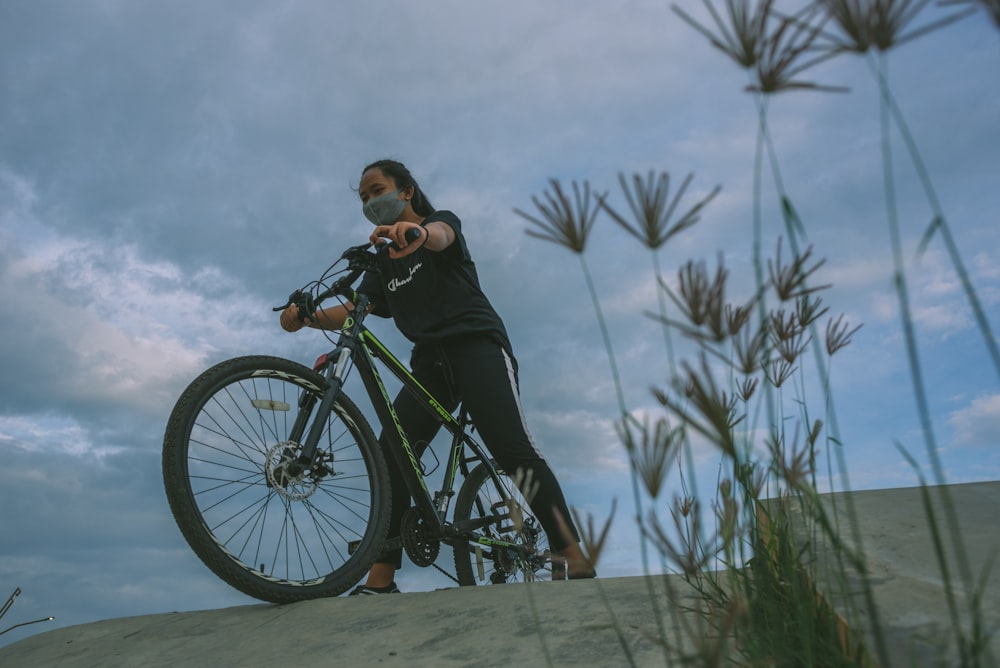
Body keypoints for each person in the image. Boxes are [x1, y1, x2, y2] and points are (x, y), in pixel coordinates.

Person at [280, 159, 595, 594]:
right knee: (390, 458)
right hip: (429, 365)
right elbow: (356, 309)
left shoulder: (437, 224)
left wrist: (418, 234)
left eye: (378, 190)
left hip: (477, 347)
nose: (372, 202)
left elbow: (442, 237)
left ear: (406, 191)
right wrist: (306, 318)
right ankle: (381, 581)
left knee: (510, 447)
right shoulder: (382, 264)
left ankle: (573, 554)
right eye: (365, 198)